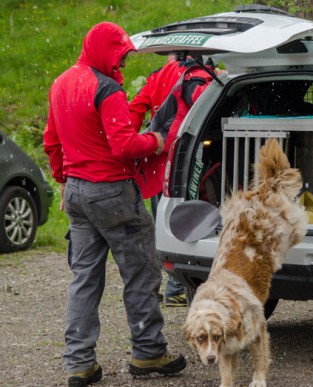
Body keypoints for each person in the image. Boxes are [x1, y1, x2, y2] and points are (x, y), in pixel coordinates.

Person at [43, 22, 186, 386]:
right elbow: (123, 145)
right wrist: (156, 141)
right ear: (105, 50)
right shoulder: (107, 90)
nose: (121, 65)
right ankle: (148, 352)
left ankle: (79, 363)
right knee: (140, 273)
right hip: (113, 192)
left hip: (77, 193)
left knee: (85, 280)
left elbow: (52, 143)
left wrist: (64, 181)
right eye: (119, 57)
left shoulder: (61, 83)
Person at [130, 54, 214, 307]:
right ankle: (178, 284)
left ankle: (161, 284)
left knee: (160, 221)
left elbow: (135, 108)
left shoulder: (156, 76)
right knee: (189, 217)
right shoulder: (201, 74)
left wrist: (135, 143)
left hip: (158, 158)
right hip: (187, 156)